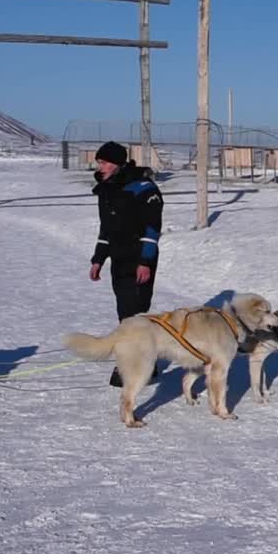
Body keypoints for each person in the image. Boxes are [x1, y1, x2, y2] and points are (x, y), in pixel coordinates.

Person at [88, 141, 164, 387]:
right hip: (119, 258)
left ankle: (130, 365)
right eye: (100, 162)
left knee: (134, 312)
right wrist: (98, 259)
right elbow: (106, 228)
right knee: (126, 313)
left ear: (119, 164)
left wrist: (145, 261)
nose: (102, 166)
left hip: (139, 257)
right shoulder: (108, 188)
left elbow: (152, 229)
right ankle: (145, 363)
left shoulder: (144, 188)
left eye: (106, 162)